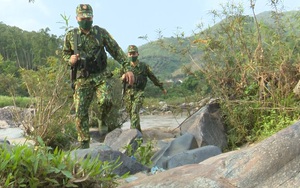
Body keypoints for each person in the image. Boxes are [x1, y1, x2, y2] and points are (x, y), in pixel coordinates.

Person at [62, 4, 134, 149]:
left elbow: (116, 51)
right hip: (83, 78)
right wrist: (70, 60)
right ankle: (84, 145)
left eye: (88, 17)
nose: (86, 20)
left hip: (101, 75)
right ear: (77, 18)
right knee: (80, 112)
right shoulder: (72, 36)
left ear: (92, 17)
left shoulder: (101, 33)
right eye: (83, 17)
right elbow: (65, 53)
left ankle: (102, 118)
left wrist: (127, 68)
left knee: (106, 100)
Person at [122, 45, 167, 133]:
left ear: (137, 54)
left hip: (139, 92)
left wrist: (162, 88)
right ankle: (138, 134)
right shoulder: (125, 67)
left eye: (133, 53)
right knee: (132, 115)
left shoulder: (144, 66)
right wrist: (122, 77)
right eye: (130, 54)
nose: (132, 56)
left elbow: (153, 77)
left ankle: (133, 135)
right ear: (128, 55)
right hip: (128, 94)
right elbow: (120, 78)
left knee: (135, 112)